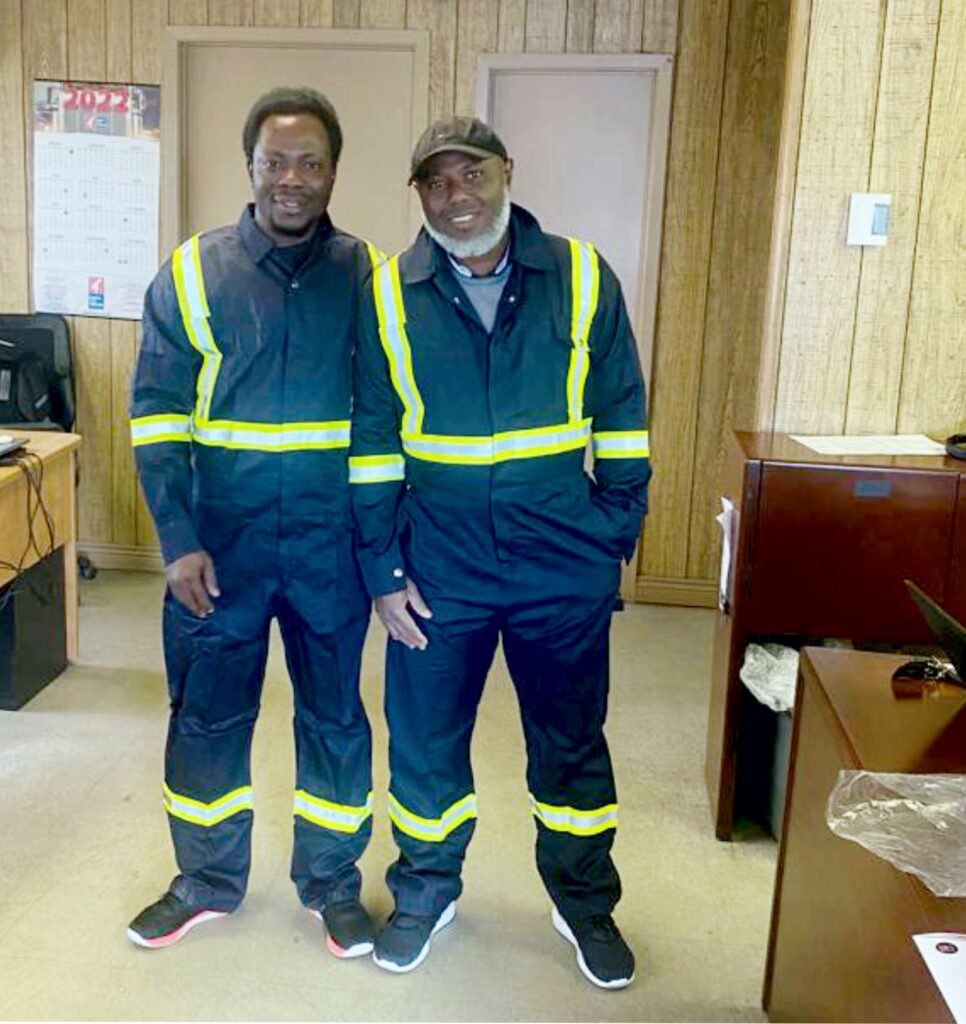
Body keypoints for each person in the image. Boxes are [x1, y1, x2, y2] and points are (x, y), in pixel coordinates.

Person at [350, 116, 651, 988]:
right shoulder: (386, 292)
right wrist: (383, 571)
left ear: (506, 172)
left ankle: (583, 902)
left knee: (571, 742)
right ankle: (424, 893)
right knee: (425, 742)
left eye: (472, 174)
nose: (458, 196)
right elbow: (372, 444)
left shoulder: (582, 276)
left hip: (561, 560)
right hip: (437, 567)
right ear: (420, 194)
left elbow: (622, 415)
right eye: (436, 182)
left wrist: (612, 534)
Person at [127, 87, 380, 958]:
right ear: (251, 167)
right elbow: (157, 417)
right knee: (206, 717)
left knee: (335, 719)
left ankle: (333, 885)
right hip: (218, 550)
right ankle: (205, 881)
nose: (291, 179)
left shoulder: (369, 277)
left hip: (329, 549)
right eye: (276, 161)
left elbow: (388, 418)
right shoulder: (192, 273)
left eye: (311, 162)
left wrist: (381, 548)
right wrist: (176, 541)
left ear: (334, 172)